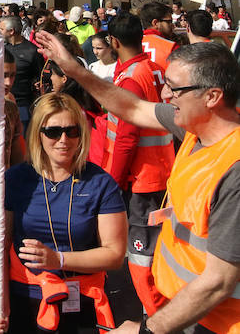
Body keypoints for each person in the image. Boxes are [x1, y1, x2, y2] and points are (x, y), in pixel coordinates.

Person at [35, 36, 240, 334]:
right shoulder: (196, 128)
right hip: (188, 313)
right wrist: (75, 70)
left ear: (212, 97)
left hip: (217, 323)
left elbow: (218, 281)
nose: (165, 94)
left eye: (175, 88)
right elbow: (131, 107)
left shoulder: (233, 169)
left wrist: (147, 330)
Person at [0, 93, 126, 334]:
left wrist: (59, 260)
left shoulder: (100, 183)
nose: (63, 140)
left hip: (83, 300)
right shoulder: (16, 180)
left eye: (71, 131)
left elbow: (115, 255)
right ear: (38, 134)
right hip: (27, 298)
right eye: (53, 132)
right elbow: (1, 247)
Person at [97, 14, 175, 314]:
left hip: (141, 179)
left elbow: (126, 138)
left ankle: (154, 318)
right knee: (160, 252)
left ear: (114, 42)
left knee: (141, 257)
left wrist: (111, 182)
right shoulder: (156, 69)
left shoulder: (131, 79)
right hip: (164, 170)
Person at [0, 16, 44, 131]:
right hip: (1, 104)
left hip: (23, 105)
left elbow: (40, 76)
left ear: (11, 31)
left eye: (1, 29)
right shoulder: (1, 50)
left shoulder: (32, 51)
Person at [139, 2, 177, 70]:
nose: (172, 25)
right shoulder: (171, 47)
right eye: (169, 22)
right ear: (155, 23)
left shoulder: (130, 46)